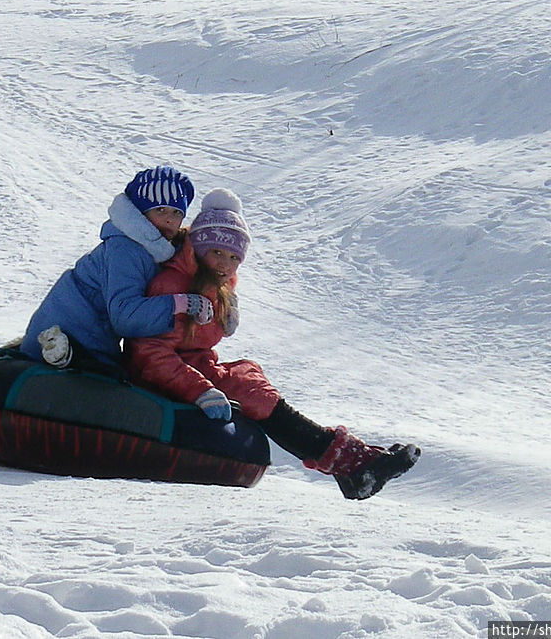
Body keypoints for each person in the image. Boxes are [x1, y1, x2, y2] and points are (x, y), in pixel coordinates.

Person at [125, 188, 420, 500]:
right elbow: (149, 354)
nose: (225, 264)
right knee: (248, 389)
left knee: (251, 381)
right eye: (217, 252)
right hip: (158, 377)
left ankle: (351, 465)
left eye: (234, 257)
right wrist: (200, 390)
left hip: (192, 367)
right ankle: (352, 464)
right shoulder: (173, 286)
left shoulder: (212, 284)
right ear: (198, 248)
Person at [20, 166, 215, 372]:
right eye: (160, 210)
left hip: (89, 338)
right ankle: (59, 357)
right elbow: (125, 316)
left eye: (177, 212)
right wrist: (182, 303)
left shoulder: (154, 249)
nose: (169, 219)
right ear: (140, 213)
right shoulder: (125, 249)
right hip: (68, 334)